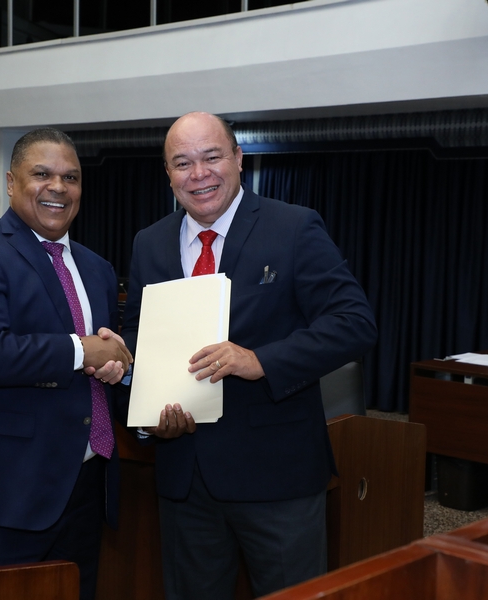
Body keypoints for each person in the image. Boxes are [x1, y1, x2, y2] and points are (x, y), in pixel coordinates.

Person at [119, 112, 377, 599]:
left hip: (277, 475)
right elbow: (139, 340)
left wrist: (261, 361)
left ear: (238, 159)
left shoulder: (294, 227)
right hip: (185, 477)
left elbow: (354, 323)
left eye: (212, 156)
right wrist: (147, 419)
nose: (199, 174)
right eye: (182, 163)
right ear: (168, 174)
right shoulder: (148, 243)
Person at [0, 128, 132, 600]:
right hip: (7, 490)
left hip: (85, 485)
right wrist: (82, 351)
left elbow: (100, 358)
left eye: (71, 177)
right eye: (42, 174)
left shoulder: (98, 269)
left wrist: (114, 366)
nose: (58, 187)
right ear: (11, 182)